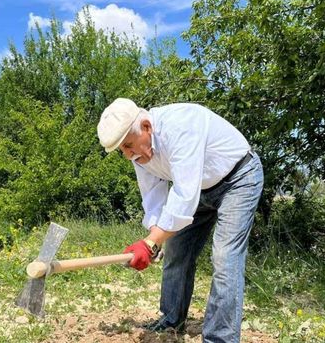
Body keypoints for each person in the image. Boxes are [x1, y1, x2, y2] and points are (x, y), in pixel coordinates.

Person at [97, 98, 264, 343]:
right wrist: (153, 241)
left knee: (225, 257)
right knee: (177, 251)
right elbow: (154, 199)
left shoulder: (180, 124)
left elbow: (185, 194)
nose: (128, 155)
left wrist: (151, 242)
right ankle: (171, 319)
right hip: (200, 189)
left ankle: (221, 338)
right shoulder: (139, 155)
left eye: (129, 146)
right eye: (123, 150)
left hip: (238, 179)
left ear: (146, 126)